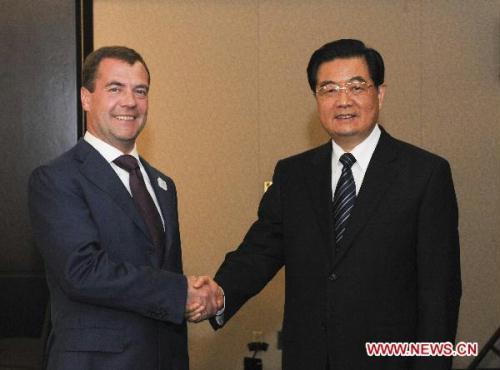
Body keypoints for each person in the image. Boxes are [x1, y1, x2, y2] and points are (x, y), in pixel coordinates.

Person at [207, 39, 461, 370]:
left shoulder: (424, 174)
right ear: (316, 99)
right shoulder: (293, 174)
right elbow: (259, 252)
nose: (343, 100)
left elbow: (439, 295)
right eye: (328, 89)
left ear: (380, 94)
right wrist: (217, 295)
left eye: (356, 87)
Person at [28, 46, 222, 370]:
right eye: (115, 88)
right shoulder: (56, 178)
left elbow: (159, 272)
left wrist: (198, 297)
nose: (130, 102)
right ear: (86, 98)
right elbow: (82, 271)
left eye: (140, 91)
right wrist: (180, 293)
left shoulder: (163, 185)